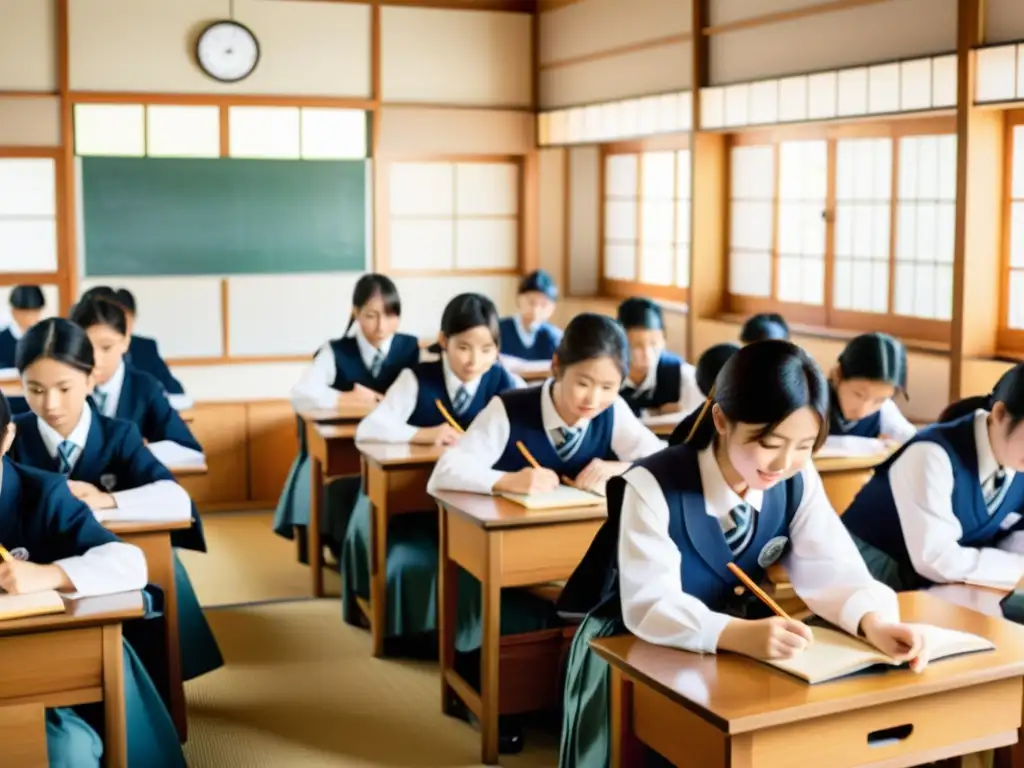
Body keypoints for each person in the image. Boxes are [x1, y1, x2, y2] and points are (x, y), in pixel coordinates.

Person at [556, 340, 928, 767]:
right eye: (769, 442)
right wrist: (736, 634)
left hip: (741, 650)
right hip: (635, 648)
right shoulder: (652, 484)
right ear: (721, 419)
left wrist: (873, 622)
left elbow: (833, 566)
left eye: (805, 445)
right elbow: (650, 604)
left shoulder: (796, 476)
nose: (785, 461)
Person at [427, 312, 665, 752]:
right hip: (509, 557)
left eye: (609, 387)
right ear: (556, 365)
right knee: (515, 615)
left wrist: (618, 466)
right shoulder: (510, 407)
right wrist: (505, 480)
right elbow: (444, 472)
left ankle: (577, 705)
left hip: (583, 560)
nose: (593, 398)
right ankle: (500, 701)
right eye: (583, 382)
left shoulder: (615, 411)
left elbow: (662, 459)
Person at [9, 317, 221, 682]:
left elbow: (174, 499)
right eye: (36, 390)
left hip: (108, 573)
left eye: (64, 387)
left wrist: (106, 500)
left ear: (91, 378)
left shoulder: (119, 434)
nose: (51, 404)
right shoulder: (11, 436)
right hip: (29, 588)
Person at [0, 390, 187, 767]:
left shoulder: (43, 493)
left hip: (32, 668)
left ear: (6, 437)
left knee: (65, 746)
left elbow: (129, 563)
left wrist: (47, 574)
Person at [343, 293, 521, 644]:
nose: (474, 360)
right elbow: (370, 429)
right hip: (414, 505)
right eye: (464, 347)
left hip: (475, 502)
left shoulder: (506, 382)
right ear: (444, 341)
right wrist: (425, 434)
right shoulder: (417, 378)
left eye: (487, 350)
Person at [274, 274, 420, 556]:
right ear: (355, 313)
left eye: (390, 316)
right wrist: (344, 399)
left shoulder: (410, 347)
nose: (381, 326)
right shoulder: (336, 350)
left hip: (393, 441)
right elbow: (301, 393)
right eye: (371, 316)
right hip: (344, 441)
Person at [844, 363, 1024, 592]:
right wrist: (1016, 566)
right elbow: (937, 559)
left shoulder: (1016, 460)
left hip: (946, 586)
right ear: (1000, 414)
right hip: (869, 577)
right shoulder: (930, 455)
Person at [68, 297, 202, 454]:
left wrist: (138, 453)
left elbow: (188, 449)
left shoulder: (145, 387)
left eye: (106, 347)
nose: (96, 359)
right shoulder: (64, 387)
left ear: (125, 342)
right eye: (86, 348)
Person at [616, 298, 701, 418]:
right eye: (637, 346)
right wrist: (654, 413)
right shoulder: (607, 374)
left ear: (664, 339)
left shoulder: (685, 376)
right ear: (621, 343)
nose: (647, 354)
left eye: (654, 344)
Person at [829, 332, 915, 443]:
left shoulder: (885, 408)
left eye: (879, 400)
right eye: (858, 395)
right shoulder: (812, 404)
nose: (862, 411)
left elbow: (912, 440)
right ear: (837, 375)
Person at [113, 287, 187, 397]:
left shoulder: (146, 348)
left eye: (126, 319)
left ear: (133, 319)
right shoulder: (97, 349)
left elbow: (175, 389)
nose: (121, 326)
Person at [498, 269, 562, 362]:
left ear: (552, 308)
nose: (536, 309)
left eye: (543, 304)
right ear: (518, 299)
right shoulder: (499, 330)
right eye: (531, 302)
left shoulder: (555, 337)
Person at [0, 284, 45, 369]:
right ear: (14, 312)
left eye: (36, 313)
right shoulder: (1, 339)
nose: (32, 319)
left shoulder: (44, 338)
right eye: (26, 313)